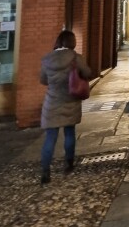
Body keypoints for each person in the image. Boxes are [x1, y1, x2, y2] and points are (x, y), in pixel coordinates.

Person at [39, 30, 92, 184]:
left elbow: (43, 80)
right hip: (70, 100)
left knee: (50, 137)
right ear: (72, 42)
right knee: (69, 133)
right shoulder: (75, 58)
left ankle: (45, 171)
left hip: (52, 102)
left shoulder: (47, 59)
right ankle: (69, 163)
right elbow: (88, 72)